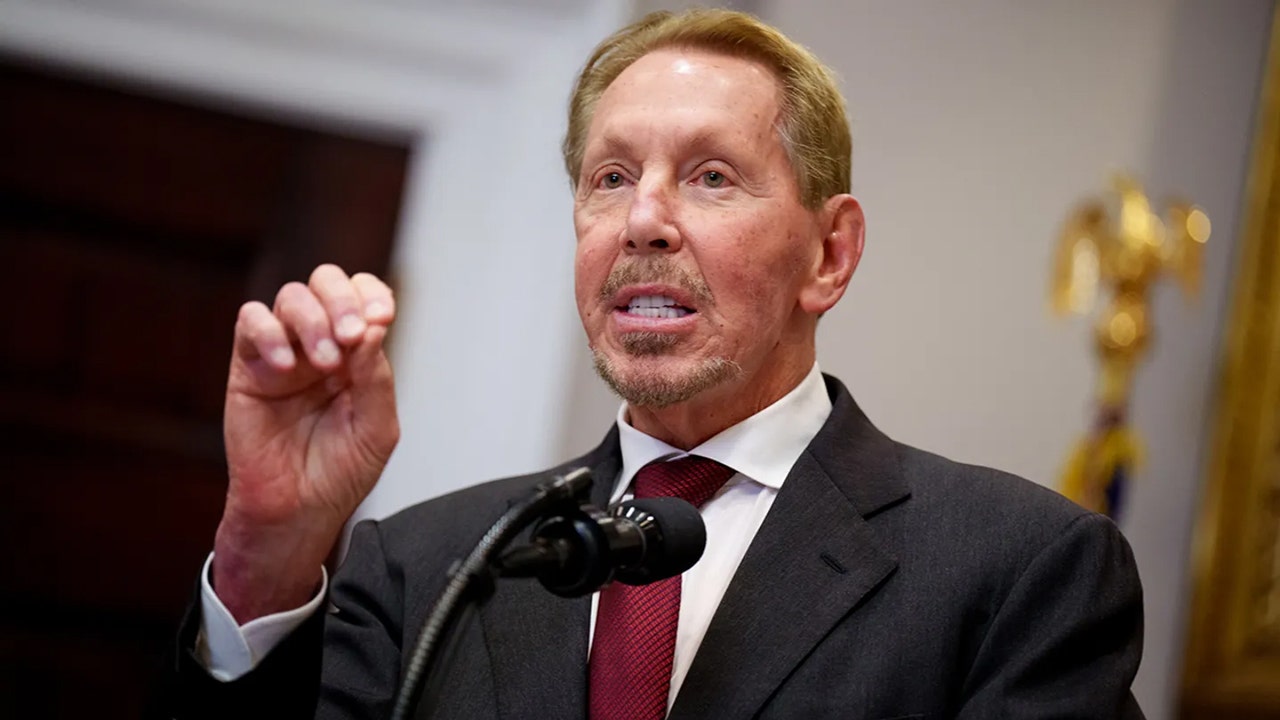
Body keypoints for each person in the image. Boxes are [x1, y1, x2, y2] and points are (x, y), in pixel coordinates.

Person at [160, 8, 1144, 719]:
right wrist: (268, 551)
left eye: (711, 176)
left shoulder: (1017, 570)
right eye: (610, 177)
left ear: (828, 254)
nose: (641, 220)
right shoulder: (427, 566)